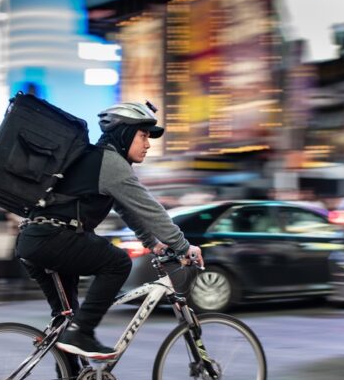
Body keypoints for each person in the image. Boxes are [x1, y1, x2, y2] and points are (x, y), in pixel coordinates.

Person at [14, 101, 203, 359]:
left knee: (66, 319)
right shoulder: (111, 163)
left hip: (34, 240)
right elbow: (150, 209)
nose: (148, 144)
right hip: (54, 239)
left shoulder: (96, 160)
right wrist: (183, 246)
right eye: (144, 135)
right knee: (117, 263)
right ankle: (83, 333)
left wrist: (152, 243)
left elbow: (127, 209)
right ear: (125, 133)